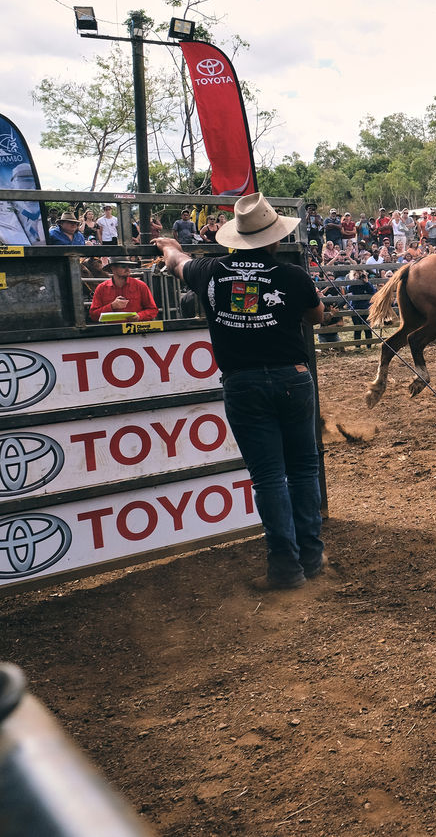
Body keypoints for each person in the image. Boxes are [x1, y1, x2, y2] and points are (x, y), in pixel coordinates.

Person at [154, 192, 326, 591]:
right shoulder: (291, 275)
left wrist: (169, 245)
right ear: (275, 238)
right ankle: (311, 555)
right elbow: (316, 316)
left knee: (268, 477)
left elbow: (177, 262)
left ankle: (285, 567)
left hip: (243, 382)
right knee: (303, 468)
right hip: (292, 376)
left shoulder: (210, 271)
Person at [88, 258, 159, 322]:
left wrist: (139, 316)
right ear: (113, 269)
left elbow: (153, 310)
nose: (128, 269)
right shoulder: (102, 288)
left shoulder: (140, 286)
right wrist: (112, 306)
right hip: (112, 330)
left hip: (135, 329)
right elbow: (93, 315)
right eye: (123, 266)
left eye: (129, 266)